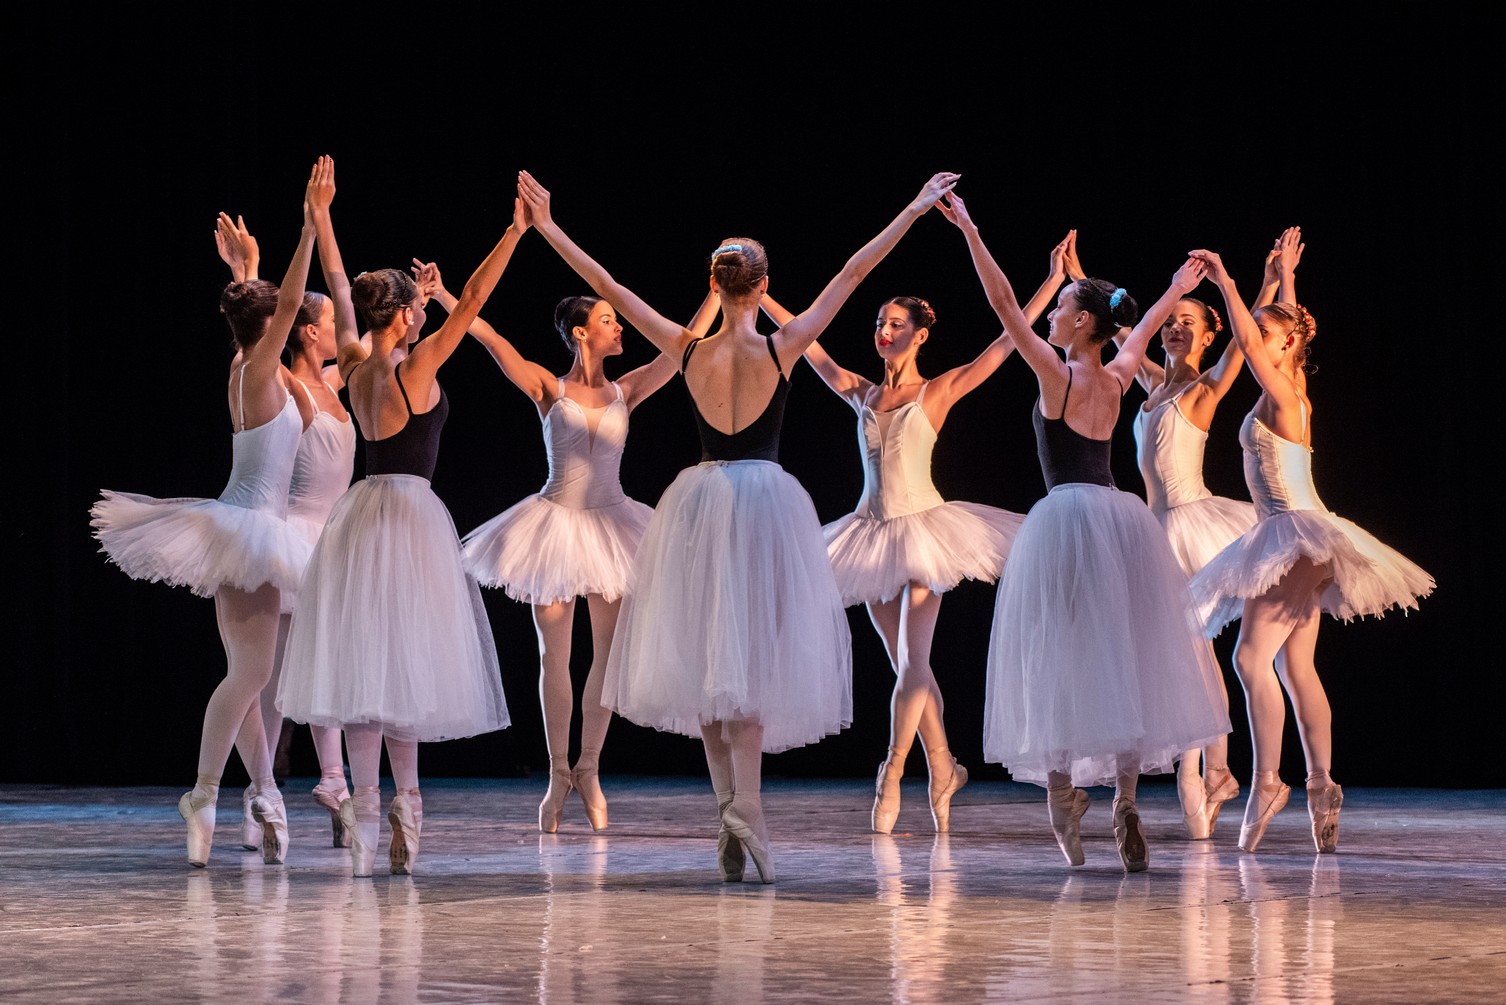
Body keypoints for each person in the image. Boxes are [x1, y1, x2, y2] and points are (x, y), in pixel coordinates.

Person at [517, 168, 960, 882]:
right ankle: (745, 807)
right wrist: (911, 208)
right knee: (744, 661)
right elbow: (854, 270)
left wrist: (546, 228)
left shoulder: (687, 346)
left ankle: (730, 803)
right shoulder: (782, 347)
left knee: (709, 666)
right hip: (763, 502)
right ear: (761, 287)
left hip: (701, 500)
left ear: (715, 286)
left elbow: (605, 278)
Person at [758, 208, 1078, 835]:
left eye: (896, 324)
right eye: (880, 322)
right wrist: (767, 303)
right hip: (868, 534)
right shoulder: (859, 390)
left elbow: (1008, 341)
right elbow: (807, 345)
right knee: (911, 667)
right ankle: (944, 763)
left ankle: (892, 774)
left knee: (912, 662)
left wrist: (1046, 284)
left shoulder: (939, 390)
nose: (884, 331)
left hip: (928, 532)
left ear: (920, 335)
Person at [277, 157, 516, 877]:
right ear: (408, 313)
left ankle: (369, 817)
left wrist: (321, 217)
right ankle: (408, 803)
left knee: (366, 675)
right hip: (412, 519)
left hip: (360, 516)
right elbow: (471, 298)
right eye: (415, 307)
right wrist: (514, 230)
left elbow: (343, 293)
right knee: (404, 665)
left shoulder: (352, 364)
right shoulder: (418, 368)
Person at [976, 216, 1231, 872]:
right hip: (1120, 520)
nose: (1055, 314)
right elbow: (1140, 328)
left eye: (1063, 307)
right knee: (1125, 653)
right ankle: (1123, 798)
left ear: (1084, 323)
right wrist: (1179, 283)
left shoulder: (1057, 376)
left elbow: (1004, 305)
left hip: (1064, 520)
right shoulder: (1118, 375)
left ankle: (1063, 797)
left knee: (1061, 652)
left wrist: (971, 230)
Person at [425, 263, 716, 834]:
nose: (619, 327)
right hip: (554, 527)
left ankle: (589, 767)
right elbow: (491, 339)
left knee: (606, 658)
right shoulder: (547, 386)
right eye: (609, 320)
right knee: (552, 656)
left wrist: (709, 299)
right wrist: (444, 297)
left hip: (614, 528)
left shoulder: (625, 389)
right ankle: (558, 771)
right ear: (582, 332)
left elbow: (679, 354)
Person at [90, 168, 320, 867]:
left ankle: (258, 791)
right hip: (247, 526)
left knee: (257, 676)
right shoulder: (255, 368)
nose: (295, 320)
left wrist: (247, 269)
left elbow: (257, 313)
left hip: (262, 529)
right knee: (251, 675)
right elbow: (274, 318)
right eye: (282, 315)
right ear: (271, 325)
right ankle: (205, 791)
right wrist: (310, 225)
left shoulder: (255, 366)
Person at [1186, 248, 1434, 854]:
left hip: (1294, 535)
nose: (1255, 341)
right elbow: (1276, 328)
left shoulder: (1285, 393)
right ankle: (1323, 785)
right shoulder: (1288, 384)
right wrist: (1287, 279)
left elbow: (1251, 337)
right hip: (1296, 535)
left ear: (1286, 345)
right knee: (1296, 668)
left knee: (1249, 661)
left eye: (1268, 335)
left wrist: (1226, 281)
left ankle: (1268, 782)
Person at [1118, 227, 1302, 839]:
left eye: (1187, 321)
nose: (1173, 327)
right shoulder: (1149, 383)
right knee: (1179, 653)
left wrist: (1270, 281)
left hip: (1194, 525)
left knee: (1195, 650)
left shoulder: (1202, 388)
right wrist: (1079, 278)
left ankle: (1210, 769)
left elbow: (1245, 343)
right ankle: (1208, 771)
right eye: (1170, 320)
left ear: (1209, 332)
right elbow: (1126, 330)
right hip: (1153, 528)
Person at [215, 213, 357, 851]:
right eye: (324, 326)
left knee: (325, 671)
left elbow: (342, 297)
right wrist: (250, 275)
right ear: (305, 329)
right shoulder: (282, 379)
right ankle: (259, 792)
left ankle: (333, 783)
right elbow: (252, 347)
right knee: (267, 682)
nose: (335, 332)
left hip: (332, 542)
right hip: (288, 535)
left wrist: (324, 225)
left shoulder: (335, 383)